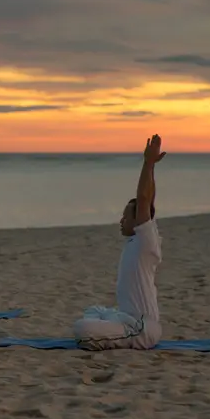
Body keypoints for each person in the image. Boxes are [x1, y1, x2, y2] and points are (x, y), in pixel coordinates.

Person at [71, 134, 166, 350]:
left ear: (139, 220)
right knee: (95, 310)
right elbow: (149, 200)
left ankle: (115, 333)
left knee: (82, 329)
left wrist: (148, 163)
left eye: (126, 217)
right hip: (125, 317)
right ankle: (112, 327)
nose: (121, 221)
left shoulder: (146, 240)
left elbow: (144, 200)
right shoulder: (138, 241)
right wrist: (150, 169)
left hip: (142, 327)